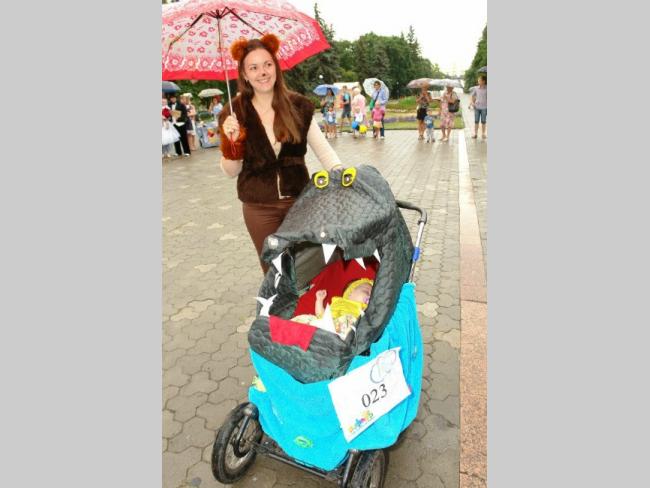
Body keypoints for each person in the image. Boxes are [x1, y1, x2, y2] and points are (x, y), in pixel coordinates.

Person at [218, 34, 344, 274]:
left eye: (267, 64)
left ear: (275, 67)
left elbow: (325, 152)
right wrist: (231, 143)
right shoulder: (233, 113)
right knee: (274, 272)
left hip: (299, 202)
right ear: (244, 74)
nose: (262, 72)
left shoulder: (299, 105)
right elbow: (231, 171)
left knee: (309, 267)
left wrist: (345, 178)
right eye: (253, 67)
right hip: (258, 207)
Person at [292, 279, 374, 339]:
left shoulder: (366, 310)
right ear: (350, 293)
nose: (369, 296)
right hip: (328, 326)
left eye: (372, 295)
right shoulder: (340, 304)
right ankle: (293, 331)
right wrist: (319, 300)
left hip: (347, 332)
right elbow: (322, 316)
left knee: (351, 320)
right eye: (366, 292)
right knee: (306, 318)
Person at [469, 75, 487, 139]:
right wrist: (472, 103)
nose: (478, 81)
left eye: (479, 80)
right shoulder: (476, 88)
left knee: (483, 121)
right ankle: (475, 134)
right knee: (476, 121)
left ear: (483, 81)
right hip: (476, 107)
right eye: (478, 80)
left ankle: (483, 134)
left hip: (484, 108)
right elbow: (472, 96)